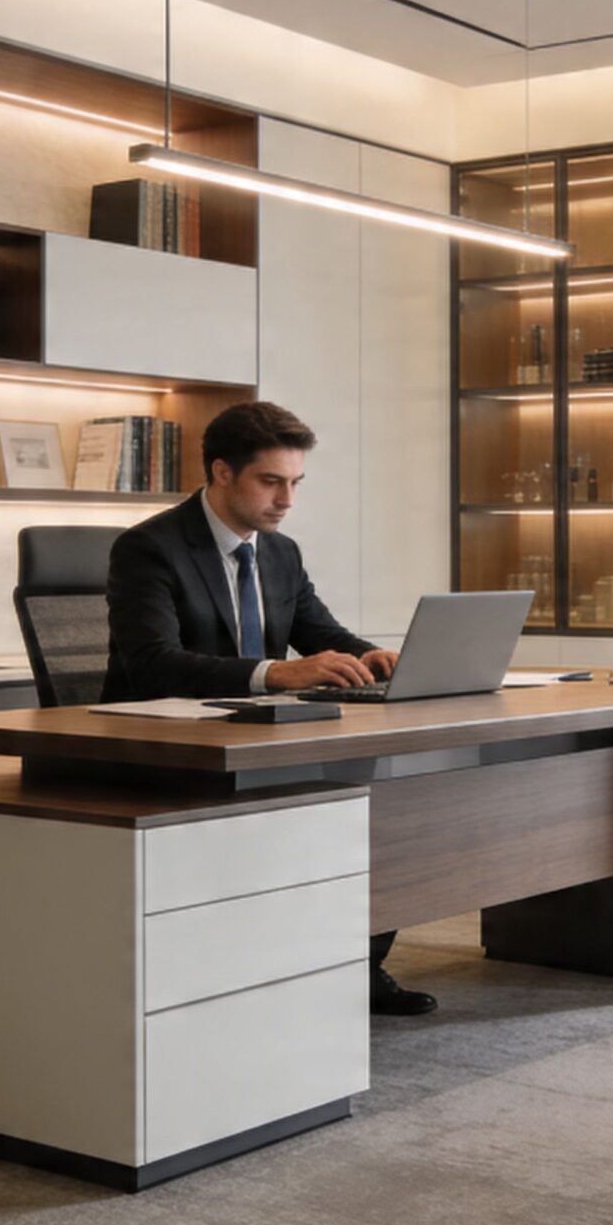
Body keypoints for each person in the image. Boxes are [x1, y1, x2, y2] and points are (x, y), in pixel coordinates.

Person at [102, 401, 435, 1017]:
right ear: (222, 472)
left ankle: (356, 966)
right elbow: (153, 664)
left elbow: (321, 635)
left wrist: (376, 657)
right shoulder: (149, 548)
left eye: (296, 483)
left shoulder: (280, 552)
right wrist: (274, 672)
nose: (286, 500)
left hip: (263, 739)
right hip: (168, 751)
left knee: (385, 810)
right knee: (338, 811)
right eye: (271, 481)